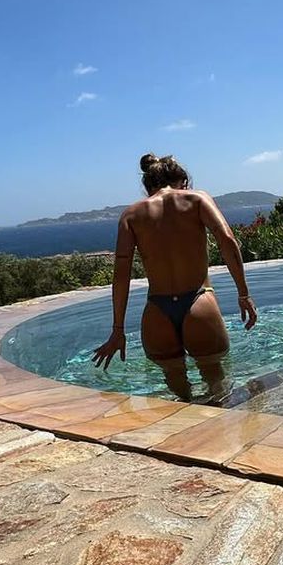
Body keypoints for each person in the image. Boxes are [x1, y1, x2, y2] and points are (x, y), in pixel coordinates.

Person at [91, 153, 257, 399]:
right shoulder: (197, 199)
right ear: (182, 181)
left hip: (157, 313)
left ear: (149, 185)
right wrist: (243, 294)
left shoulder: (131, 214)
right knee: (217, 385)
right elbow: (228, 240)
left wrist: (118, 330)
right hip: (199, 303)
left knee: (177, 393)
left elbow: (121, 274)